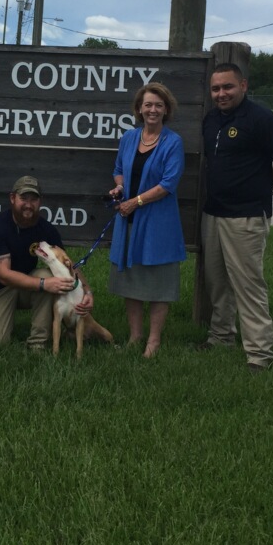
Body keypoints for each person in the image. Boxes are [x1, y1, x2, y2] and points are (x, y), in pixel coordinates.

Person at [200, 62, 273, 371]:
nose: (221, 94)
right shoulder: (211, 120)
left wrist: (262, 187)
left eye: (227, 87)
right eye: (216, 88)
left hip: (246, 216)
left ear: (243, 85)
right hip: (213, 212)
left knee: (248, 284)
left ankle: (259, 354)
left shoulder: (261, 119)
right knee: (217, 283)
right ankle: (221, 337)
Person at [108, 82, 186, 357]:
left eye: (159, 105)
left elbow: (168, 183)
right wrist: (119, 187)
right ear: (139, 109)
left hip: (158, 224)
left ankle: (153, 341)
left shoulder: (173, 142)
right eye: (148, 105)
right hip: (128, 220)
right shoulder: (129, 138)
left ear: (166, 110)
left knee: (158, 283)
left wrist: (136, 201)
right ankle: (134, 336)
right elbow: (119, 169)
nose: (153, 110)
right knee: (131, 280)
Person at [0, 175, 93, 350]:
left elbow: (68, 264)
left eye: (34, 199)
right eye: (23, 198)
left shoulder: (46, 229)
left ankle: (39, 343)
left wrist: (87, 291)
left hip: (29, 288)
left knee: (49, 276)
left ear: (40, 201)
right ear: (12, 198)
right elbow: (3, 275)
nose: (29, 204)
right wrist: (43, 283)